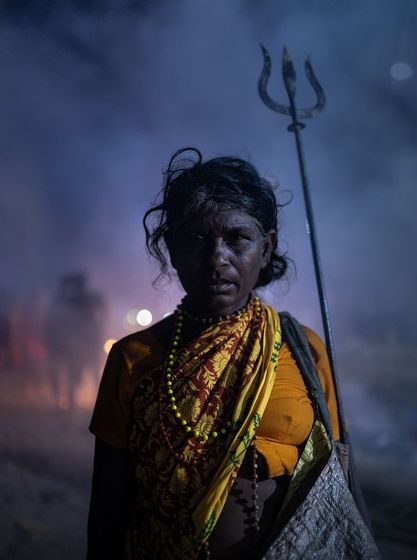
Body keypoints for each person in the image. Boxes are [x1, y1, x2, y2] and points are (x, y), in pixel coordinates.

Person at [87, 148, 379, 559]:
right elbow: (108, 505)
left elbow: (341, 479)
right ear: (171, 248)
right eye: (197, 238)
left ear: (266, 246)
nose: (216, 259)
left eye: (237, 238)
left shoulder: (303, 348)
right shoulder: (133, 358)